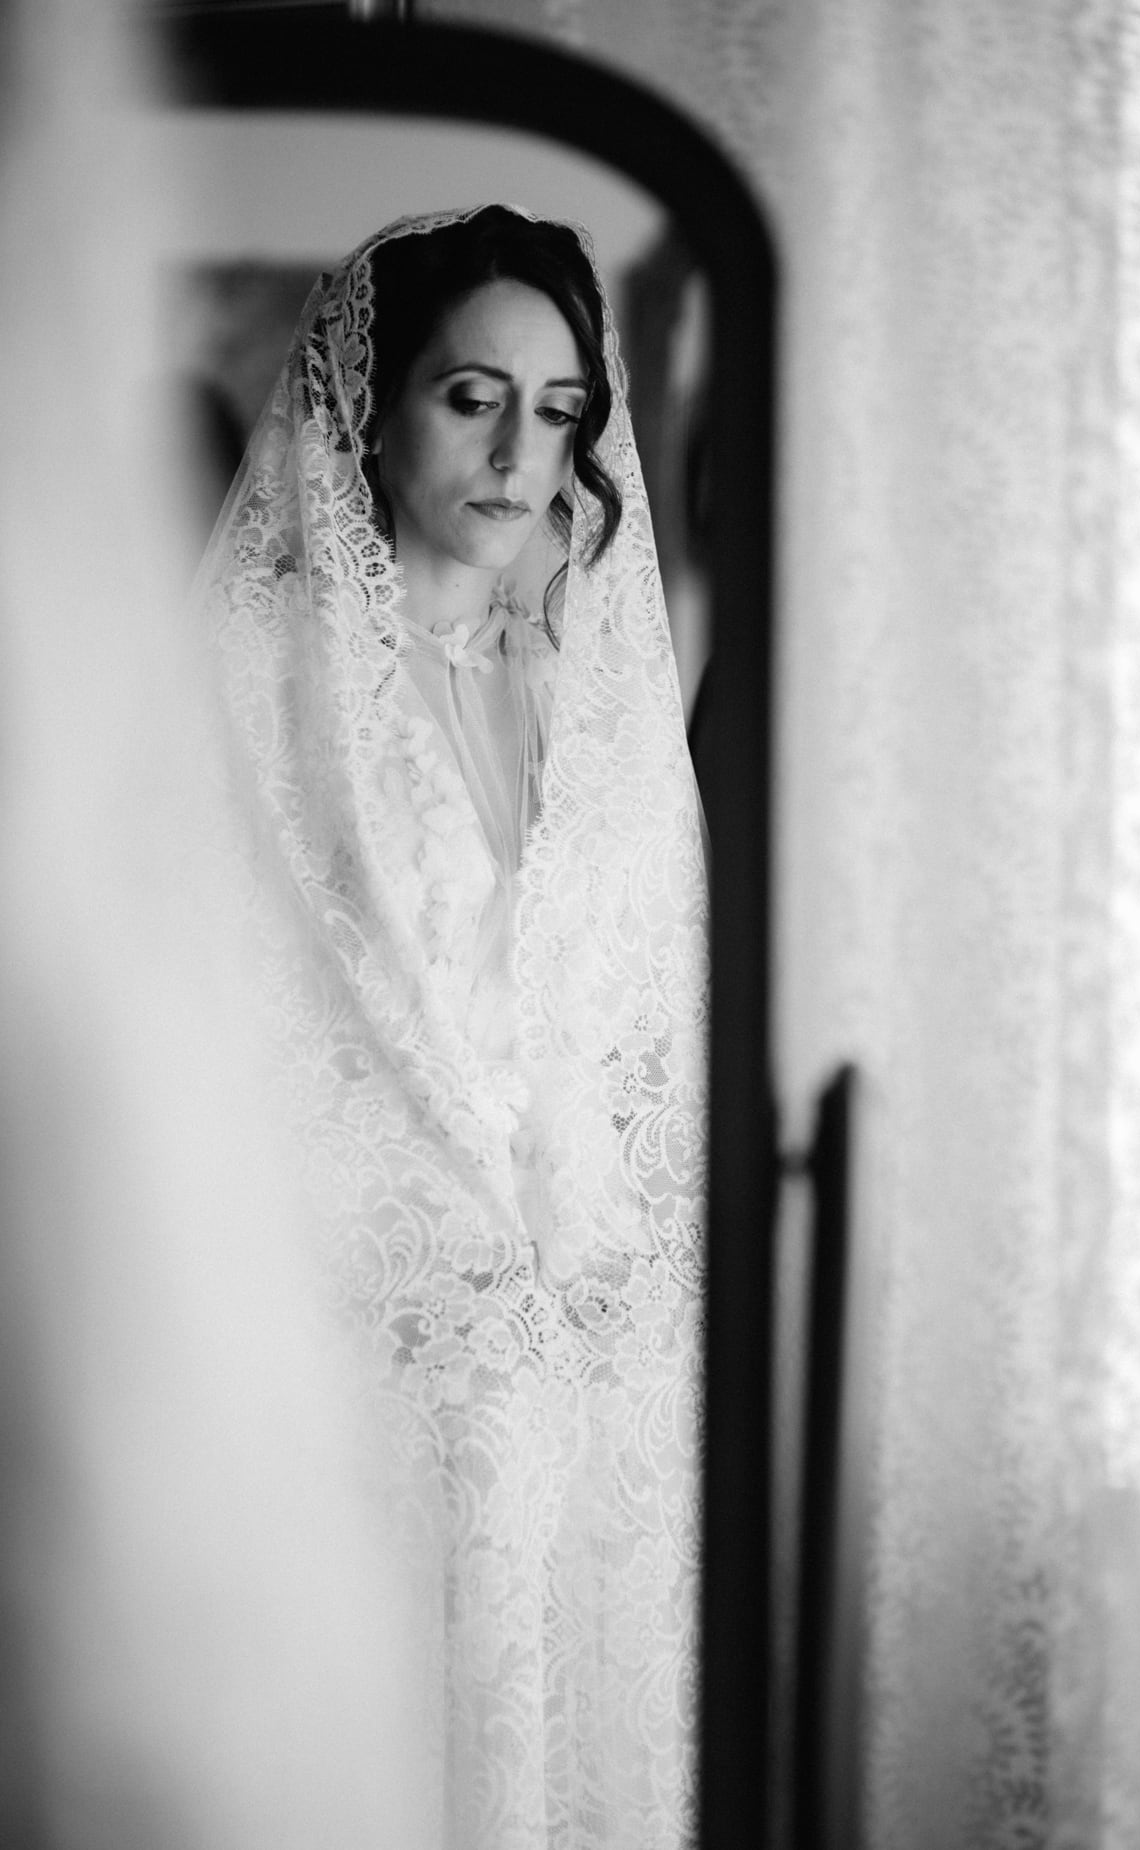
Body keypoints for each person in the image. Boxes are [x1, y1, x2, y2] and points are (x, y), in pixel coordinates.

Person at [198, 206, 709, 1850]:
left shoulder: (585, 695)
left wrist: (600, 1253)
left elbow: (628, 1022)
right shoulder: (255, 679)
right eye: (472, 396)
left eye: (558, 411)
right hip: (355, 1352)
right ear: (373, 403)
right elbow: (223, 1026)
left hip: (568, 1362)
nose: (516, 453)